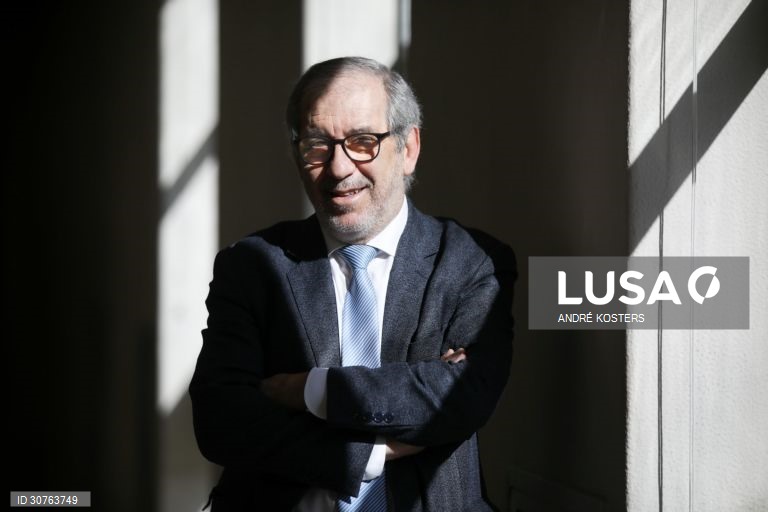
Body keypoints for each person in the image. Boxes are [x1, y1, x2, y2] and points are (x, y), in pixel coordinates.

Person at [190, 56, 516, 511]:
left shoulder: (471, 262)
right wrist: (369, 454)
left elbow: (462, 396)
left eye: (363, 142)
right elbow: (220, 421)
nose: (340, 168)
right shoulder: (252, 264)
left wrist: (308, 390)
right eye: (317, 145)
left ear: (408, 149)